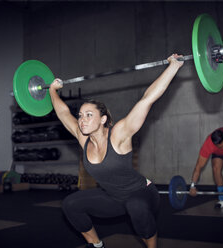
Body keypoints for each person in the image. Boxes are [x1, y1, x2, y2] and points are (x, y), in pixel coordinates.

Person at [49, 54, 184, 248]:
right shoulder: (83, 137)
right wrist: (53, 90)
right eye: (80, 116)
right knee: (70, 204)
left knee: (135, 206)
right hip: (113, 198)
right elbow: (63, 112)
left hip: (142, 194)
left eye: (89, 115)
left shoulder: (119, 134)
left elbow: (147, 100)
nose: (82, 120)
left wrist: (174, 67)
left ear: (103, 119)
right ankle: (97, 245)